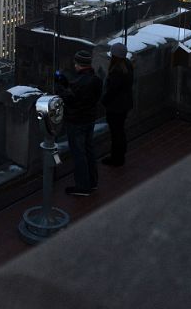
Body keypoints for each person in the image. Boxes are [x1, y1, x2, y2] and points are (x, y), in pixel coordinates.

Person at [55, 48, 103, 197]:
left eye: (76, 63)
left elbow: (69, 98)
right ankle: (92, 182)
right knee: (88, 150)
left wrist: (61, 87)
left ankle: (83, 186)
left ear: (80, 64)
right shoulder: (96, 80)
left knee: (79, 153)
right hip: (89, 120)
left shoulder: (79, 83)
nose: (74, 65)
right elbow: (80, 94)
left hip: (76, 122)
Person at [101, 41, 135, 166]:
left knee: (116, 132)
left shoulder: (117, 71)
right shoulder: (127, 65)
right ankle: (120, 155)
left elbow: (111, 91)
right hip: (124, 105)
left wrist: (103, 101)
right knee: (119, 131)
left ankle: (116, 158)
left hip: (115, 107)